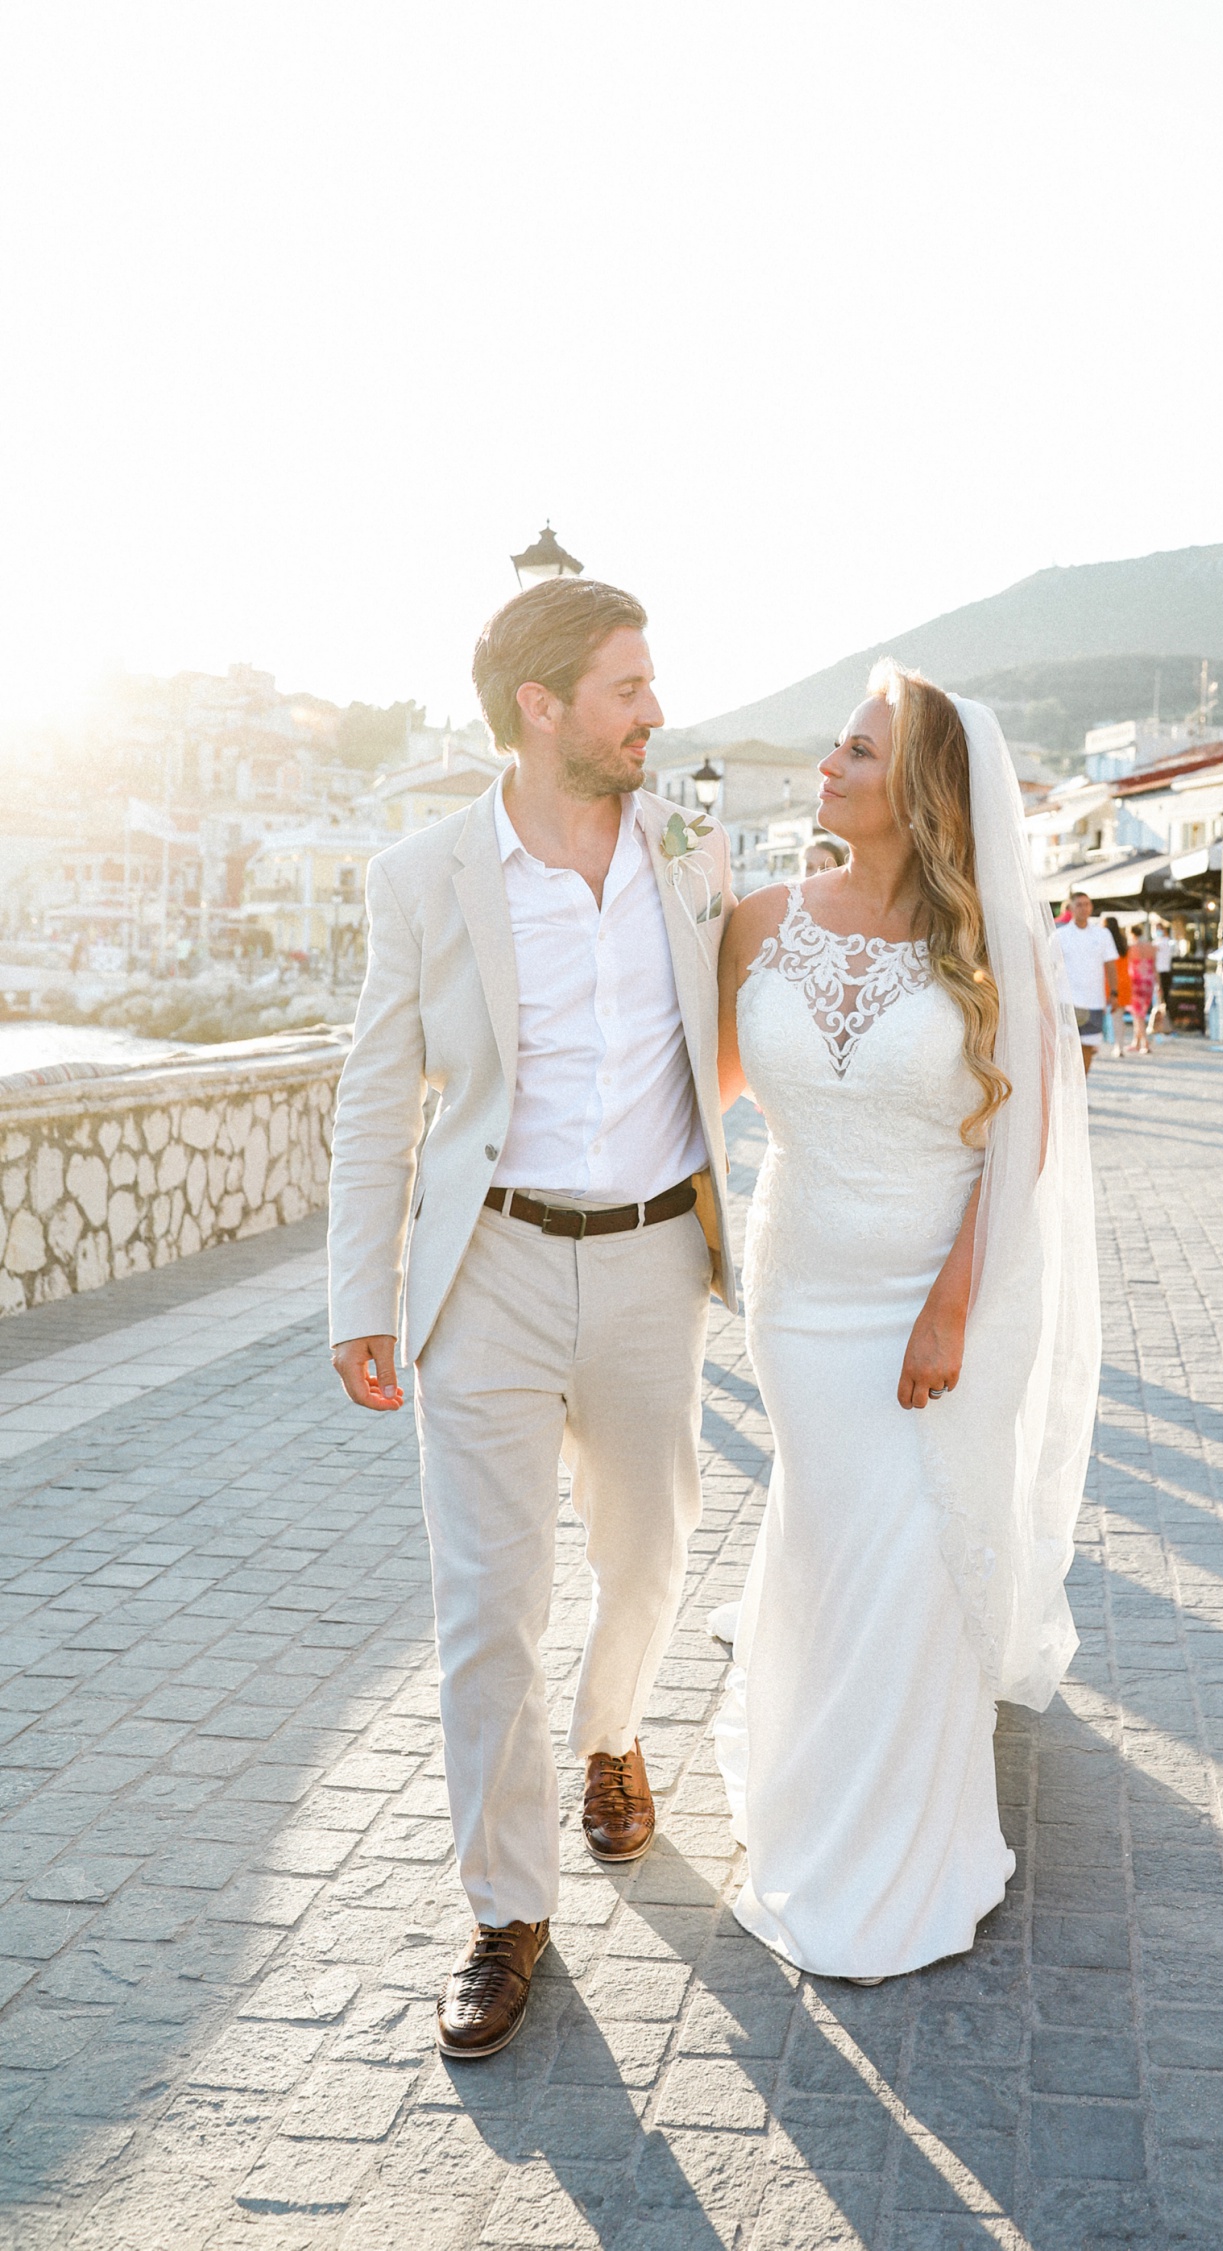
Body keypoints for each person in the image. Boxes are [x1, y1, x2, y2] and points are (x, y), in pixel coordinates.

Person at [325, 577, 735, 2061]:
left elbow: (749, 1027)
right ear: (543, 706)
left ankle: (615, 1731)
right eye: (629, 685)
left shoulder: (692, 848)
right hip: (483, 1269)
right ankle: (507, 1906)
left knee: (645, 1557)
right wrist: (356, 1294)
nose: (654, 708)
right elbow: (382, 1090)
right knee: (486, 1607)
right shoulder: (425, 872)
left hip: (648, 1266)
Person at [711, 662, 1098, 1981]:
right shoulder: (757, 919)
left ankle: (910, 1837)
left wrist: (953, 1300)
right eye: (836, 743)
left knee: (916, 1552)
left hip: (941, 1293)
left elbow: (1022, 1139)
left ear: (923, 788)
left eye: (860, 752)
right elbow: (688, 1096)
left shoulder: (990, 939)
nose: (829, 764)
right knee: (830, 1535)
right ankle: (809, 1804)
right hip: (800, 1291)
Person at [1054, 890, 1119, 1075]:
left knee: (1088, 1047)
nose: (1083, 908)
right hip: (1067, 1001)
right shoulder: (1060, 935)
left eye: (1087, 904)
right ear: (1071, 908)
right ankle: (1066, 1092)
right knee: (1067, 1047)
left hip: (1093, 1001)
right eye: (1079, 905)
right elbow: (1048, 968)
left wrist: (1114, 994)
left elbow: (1110, 965)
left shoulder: (1103, 934)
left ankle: (1081, 1094)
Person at [1125, 925, 1157, 1055]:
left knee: (1137, 1014)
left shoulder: (1131, 948)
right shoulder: (1151, 947)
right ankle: (1136, 1042)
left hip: (1135, 980)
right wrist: (1158, 984)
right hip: (1149, 980)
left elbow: (1128, 966)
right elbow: (1154, 967)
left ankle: (1145, 1042)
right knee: (1140, 1012)